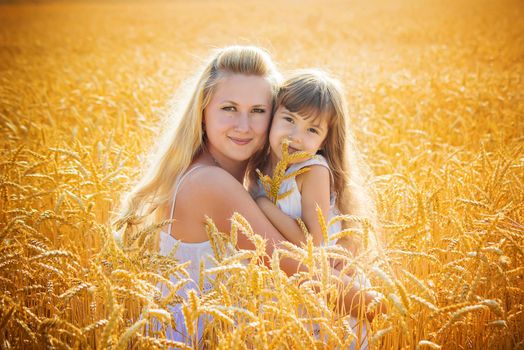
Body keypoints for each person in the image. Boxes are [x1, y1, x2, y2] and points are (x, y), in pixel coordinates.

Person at [116, 46, 382, 346]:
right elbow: (300, 270)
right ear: (202, 111)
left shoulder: (245, 179)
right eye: (229, 108)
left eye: (258, 111)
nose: (244, 126)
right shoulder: (210, 183)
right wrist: (390, 310)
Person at [251, 69, 378, 348]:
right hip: (291, 285)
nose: (296, 136)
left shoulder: (313, 171)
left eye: (312, 130)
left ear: (324, 140)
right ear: (271, 117)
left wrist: (261, 206)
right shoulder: (260, 169)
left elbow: (311, 241)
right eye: (289, 120)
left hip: (327, 291)